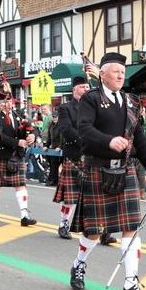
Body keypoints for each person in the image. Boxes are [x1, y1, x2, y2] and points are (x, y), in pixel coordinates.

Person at [69, 53, 146, 290]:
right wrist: (108, 140)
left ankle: (130, 283)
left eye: (122, 72)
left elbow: (140, 141)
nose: (120, 75)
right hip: (98, 169)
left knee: (132, 228)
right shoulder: (91, 99)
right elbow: (84, 130)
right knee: (93, 231)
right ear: (102, 73)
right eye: (115, 71)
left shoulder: (132, 101)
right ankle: (79, 264)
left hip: (124, 171)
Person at [0, 93, 37, 226]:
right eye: (7, 101)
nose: (10, 104)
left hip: (17, 156)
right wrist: (17, 142)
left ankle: (24, 215)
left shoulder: (18, 115)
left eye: (11, 101)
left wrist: (32, 135)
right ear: (0, 103)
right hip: (1, 156)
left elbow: (32, 128)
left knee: (21, 184)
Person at [52, 76, 89, 240]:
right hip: (75, 155)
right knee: (71, 197)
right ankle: (64, 224)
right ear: (74, 89)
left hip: (93, 156)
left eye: (87, 87)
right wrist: (86, 143)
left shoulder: (94, 107)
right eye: (82, 87)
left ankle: (101, 230)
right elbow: (66, 130)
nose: (86, 90)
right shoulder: (65, 108)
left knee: (95, 195)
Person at [44, 110, 63, 187]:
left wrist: (59, 147)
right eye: (53, 117)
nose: (54, 118)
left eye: (55, 117)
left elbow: (62, 138)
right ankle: (53, 180)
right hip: (53, 148)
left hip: (61, 147)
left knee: (62, 165)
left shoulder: (61, 125)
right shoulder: (51, 125)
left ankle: (58, 180)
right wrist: (46, 145)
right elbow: (49, 137)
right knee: (53, 165)